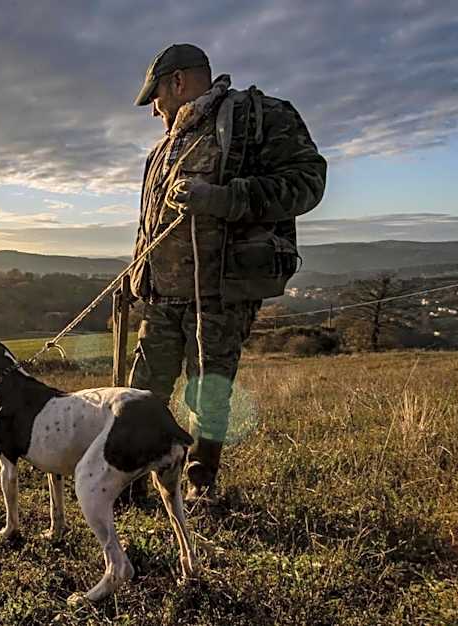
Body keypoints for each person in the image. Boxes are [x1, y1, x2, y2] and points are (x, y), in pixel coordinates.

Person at [126, 43, 327, 505]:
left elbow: (307, 182)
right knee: (141, 392)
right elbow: (152, 222)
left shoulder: (259, 119)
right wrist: (137, 273)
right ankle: (130, 479)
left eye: (154, 95)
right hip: (159, 296)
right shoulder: (166, 145)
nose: (153, 109)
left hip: (218, 295)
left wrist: (222, 198)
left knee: (208, 396)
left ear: (178, 82)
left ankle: (200, 486)